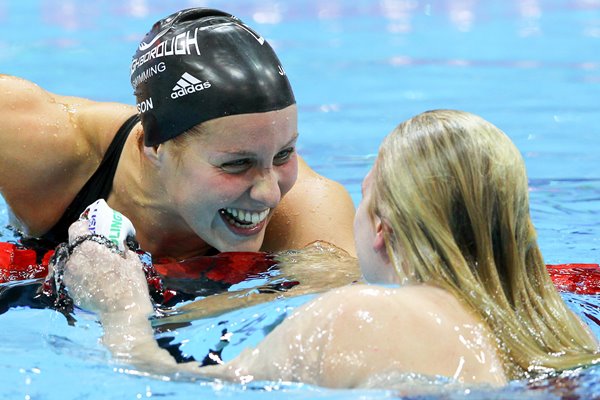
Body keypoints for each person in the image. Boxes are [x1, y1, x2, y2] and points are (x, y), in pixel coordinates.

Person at [60, 110, 600, 389]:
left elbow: (150, 375)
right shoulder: (555, 329)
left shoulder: (361, 316)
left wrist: (120, 303)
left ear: (383, 227)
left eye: (363, 198)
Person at [0, 8, 356, 263]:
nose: (269, 193)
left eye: (284, 154)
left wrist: (126, 312)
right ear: (154, 145)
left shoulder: (312, 212)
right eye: (236, 164)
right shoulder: (43, 143)